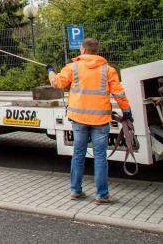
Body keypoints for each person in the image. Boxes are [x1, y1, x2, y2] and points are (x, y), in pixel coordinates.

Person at [48, 37, 132, 204]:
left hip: (78, 119)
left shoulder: (73, 67)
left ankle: (76, 191)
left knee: (78, 154)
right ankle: (102, 195)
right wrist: (127, 111)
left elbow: (56, 83)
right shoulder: (108, 70)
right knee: (100, 156)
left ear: (83, 50)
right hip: (100, 119)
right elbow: (119, 93)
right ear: (96, 50)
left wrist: (50, 70)